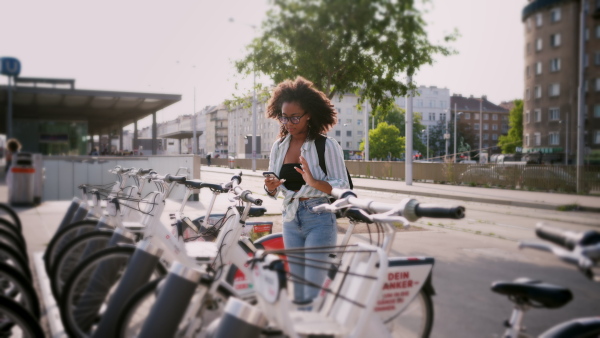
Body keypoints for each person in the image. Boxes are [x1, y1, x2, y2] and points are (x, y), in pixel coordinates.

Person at [263, 76, 349, 304]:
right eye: (284, 117)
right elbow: (272, 187)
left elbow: (343, 187)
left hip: (319, 217)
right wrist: (270, 186)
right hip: (290, 218)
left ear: (309, 114)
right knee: (298, 291)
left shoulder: (326, 146)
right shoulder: (278, 146)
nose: (288, 122)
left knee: (312, 290)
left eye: (294, 117)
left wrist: (313, 182)